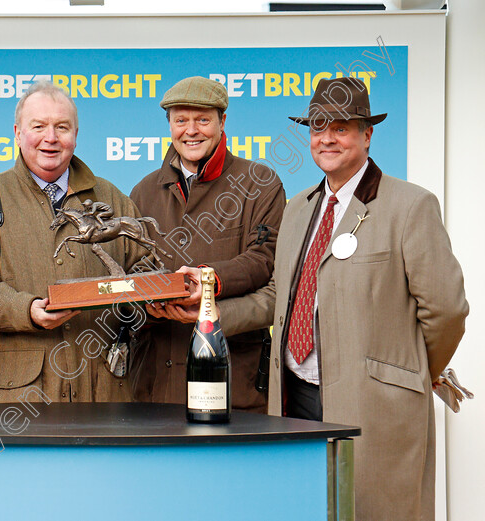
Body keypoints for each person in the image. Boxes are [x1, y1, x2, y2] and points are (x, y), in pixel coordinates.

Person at [218, 77, 468, 521]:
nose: (327, 138)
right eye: (318, 128)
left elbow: (446, 309)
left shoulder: (410, 206)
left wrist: (412, 371)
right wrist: (210, 314)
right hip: (294, 397)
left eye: (341, 128)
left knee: (375, 510)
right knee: (306, 509)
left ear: (367, 135)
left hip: (375, 404)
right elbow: (280, 297)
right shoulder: (298, 208)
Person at [0, 80, 148, 404]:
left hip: (104, 392)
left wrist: (156, 288)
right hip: (21, 397)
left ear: (76, 134)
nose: (51, 138)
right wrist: (27, 310)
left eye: (62, 127)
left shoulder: (112, 197)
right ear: (18, 132)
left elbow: (142, 267)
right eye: (39, 126)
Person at [129, 76, 285, 412]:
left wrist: (209, 281)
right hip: (158, 387)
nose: (191, 130)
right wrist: (147, 304)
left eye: (203, 120)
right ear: (169, 125)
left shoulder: (261, 182)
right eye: (181, 120)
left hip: (235, 384)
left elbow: (264, 259)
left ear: (222, 122)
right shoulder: (142, 192)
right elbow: (134, 267)